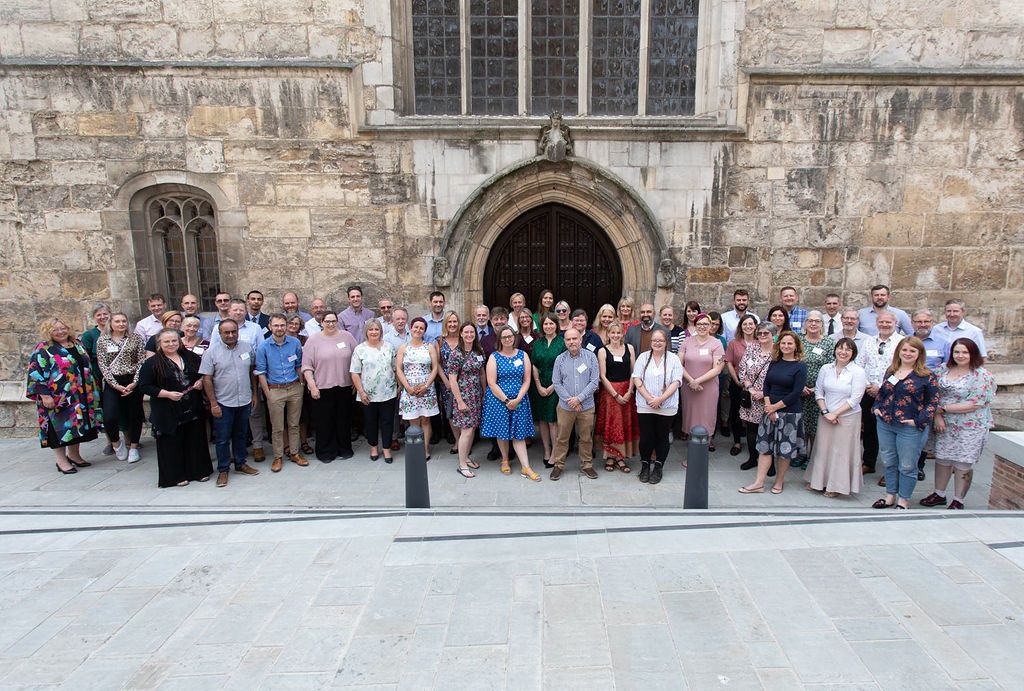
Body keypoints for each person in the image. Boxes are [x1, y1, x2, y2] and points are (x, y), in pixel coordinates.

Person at [919, 338, 994, 510]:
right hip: (943, 423)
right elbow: (932, 394)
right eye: (957, 352)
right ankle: (939, 494)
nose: (960, 355)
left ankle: (958, 499)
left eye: (965, 352)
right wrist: (937, 415)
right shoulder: (942, 370)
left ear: (973, 353)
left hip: (969, 425)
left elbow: (976, 403)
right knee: (943, 458)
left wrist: (942, 409)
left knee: (963, 462)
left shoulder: (981, 375)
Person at [26, 318, 103, 474]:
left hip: (81, 395)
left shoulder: (77, 344)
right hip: (57, 397)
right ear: (48, 332)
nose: (60, 332)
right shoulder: (43, 349)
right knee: (59, 428)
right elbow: (35, 373)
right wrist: (44, 395)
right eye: (55, 329)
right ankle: (61, 461)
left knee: (77, 426)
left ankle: (74, 455)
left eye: (63, 328)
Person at [138, 328, 212, 487]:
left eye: (174, 341)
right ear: (159, 343)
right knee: (172, 443)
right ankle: (176, 476)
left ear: (179, 342)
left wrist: (200, 382)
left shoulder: (191, 357)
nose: (171, 344)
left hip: (191, 406)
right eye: (167, 341)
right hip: (168, 408)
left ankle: (198, 471)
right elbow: (144, 386)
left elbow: (202, 374)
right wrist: (166, 394)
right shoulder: (152, 363)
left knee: (194, 440)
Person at [871, 336, 939, 509]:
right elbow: (882, 393)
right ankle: (890, 496)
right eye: (905, 350)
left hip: (909, 428)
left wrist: (917, 421)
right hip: (886, 424)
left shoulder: (927, 376)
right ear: (899, 351)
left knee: (907, 465)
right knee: (889, 461)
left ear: (919, 354)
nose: (907, 353)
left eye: (912, 351)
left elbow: (932, 402)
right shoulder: (891, 371)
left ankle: (903, 500)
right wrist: (877, 408)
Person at [739, 331, 807, 495]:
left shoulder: (800, 366)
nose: (786, 346)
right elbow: (767, 385)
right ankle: (758, 483)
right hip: (769, 410)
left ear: (796, 346)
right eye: (783, 343)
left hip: (789, 413)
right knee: (764, 448)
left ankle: (779, 481)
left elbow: (796, 393)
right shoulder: (774, 362)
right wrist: (768, 405)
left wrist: (775, 407)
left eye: (790, 343)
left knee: (785, 450)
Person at [200, 320, 261, 487]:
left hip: (244, 400)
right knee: (222, 439)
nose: (231, 335)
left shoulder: (247, 348)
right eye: (226, 332)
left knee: (241, 434)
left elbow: (252, 372)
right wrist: (213, 403)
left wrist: (254, 394)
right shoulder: (211, 353)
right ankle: (223, 469)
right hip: (223, 402)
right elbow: (207, 379)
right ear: (219, 333)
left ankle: (241, 463)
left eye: (234, 331)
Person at [804, 338, 867, 497]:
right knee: (822, 449)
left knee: (841, 451)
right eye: (840, 348)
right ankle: (818, 481)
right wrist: (826, 412)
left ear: (853, 353)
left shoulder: (858, 372)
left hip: (847, 417)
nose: (843, 352)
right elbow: (819, 392)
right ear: (835, 350)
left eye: (848, 349)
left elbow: (855, 399)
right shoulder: (826, 368)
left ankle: (836, 486)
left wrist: (836, 413)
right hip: (826, 415)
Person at [481, 326, 540, 480]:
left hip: (519, 400)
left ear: (514, 337)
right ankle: (505, 460)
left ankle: (526, 467)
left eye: (510, 336)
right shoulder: (494, 357)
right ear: (499, 340)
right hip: (499, 401)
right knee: (502, 432)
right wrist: (507, 400)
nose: (507, 339)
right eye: (504, 337)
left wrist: (518, 399)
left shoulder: (523, 355)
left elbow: (527, 380)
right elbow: (491, 383)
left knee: (519, 434)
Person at [301, 311, 357, 463]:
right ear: (322, 323)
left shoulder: (347, 337)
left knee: (343, 420)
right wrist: (312, 386)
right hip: (322, 388)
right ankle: (326, 452)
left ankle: (344, 448)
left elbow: (357, 359)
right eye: (327, 321)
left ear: (337, 322)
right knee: (324, 421)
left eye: (333, 321)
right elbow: (306, 367)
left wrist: (356, 381)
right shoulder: (313, 340)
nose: (331, 324)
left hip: (345, 386)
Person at [256, 314, 308, 472]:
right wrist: (267, 393)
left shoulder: (295, 343)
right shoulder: (263, 347)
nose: (279, 328)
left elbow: (298, 364)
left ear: (286, 326)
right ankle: (278, 457)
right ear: (270, 327)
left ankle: (295, 453)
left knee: (294, 424)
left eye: (282, 325)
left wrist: (301, 384)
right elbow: (261, 372)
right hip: (275, 389)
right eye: (276, 325)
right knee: (277, 427)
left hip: (294, 387)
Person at [632, 330, 683, 484]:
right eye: (655, 340)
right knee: (646, 437)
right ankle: (645, 466)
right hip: (645, 405)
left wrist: (661, 399)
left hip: (666, 405)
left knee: (662, 436)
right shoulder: (643, 357)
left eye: (661, 340)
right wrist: (649, 398)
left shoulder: (673, 359)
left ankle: (659, 467)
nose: (657, 343)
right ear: (651, 342)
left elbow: (676, 381)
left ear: (666, 342)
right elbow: (636, 378)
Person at [549, 328, 600, 480]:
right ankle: (558, 465)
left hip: (586, 406)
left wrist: (579, 399)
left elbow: (594, 381)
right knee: (562, 438)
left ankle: (587, 465)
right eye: (568, 339)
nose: (571, 342)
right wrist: (570, 400)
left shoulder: (591, 357)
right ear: (564, 342)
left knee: (586, 438)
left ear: (580, 339)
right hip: (565, 407)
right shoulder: (560, 359)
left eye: (574, 338)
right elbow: (556, 382)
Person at [96, 312, 146, 464]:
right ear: (111, 323)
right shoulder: (103, 340)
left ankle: (134, 446)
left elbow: (141, 361)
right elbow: (102, 364)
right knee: (110, 416)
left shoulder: (135, 338)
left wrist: (135, 382)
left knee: (134, 415)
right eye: (117, 321)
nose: (121, 324)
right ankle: (116, 444)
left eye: (124, 321)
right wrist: (115, 385)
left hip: (132, 380)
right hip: (113, 382)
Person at [861, 311, 902, 477]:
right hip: (869, 392)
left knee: (890, 432)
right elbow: (860, 364)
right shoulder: (869, 341)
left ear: (895, 323)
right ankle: (868, 462)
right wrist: (868, 386)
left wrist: (882, 388)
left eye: (888, 322)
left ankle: (890, 470)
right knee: (869, 430)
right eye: (881, 322)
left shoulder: (901, 343)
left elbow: (902, 369)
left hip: (891, 394)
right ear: (877, 323)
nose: (884, 325)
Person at [350, 320, 398, 464]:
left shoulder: (389, 347)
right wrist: (361, 391)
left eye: (377, 329)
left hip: (388, 392)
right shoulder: (360, 349)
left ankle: (387, 449)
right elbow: (355, 372)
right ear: (366, 332)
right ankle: (373, 448)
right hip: (367, 394)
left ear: (381, 331)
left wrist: (399, 386)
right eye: (371, 329)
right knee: (370, 422)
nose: (374, 332)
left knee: (387, 422)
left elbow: (396, 368)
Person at [679, 313, 725, 453]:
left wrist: (698, 381)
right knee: (690, 414)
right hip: (689, 387)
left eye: (705, 324)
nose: (702, 327)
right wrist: (691, 381)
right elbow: (679, 364)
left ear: (710, 326)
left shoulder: (717, 343)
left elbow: (718, 368)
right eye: (699, 324)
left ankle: (704, 446)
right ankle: (692, 445)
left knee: (707, 415)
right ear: (695, 326)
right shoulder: (686, 342)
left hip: (708, 388)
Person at [596, 321, 638, 472]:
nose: (615, 335)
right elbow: (602, 375)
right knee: (612, 424)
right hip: (610, 393)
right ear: (608, 334)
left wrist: (629, 391)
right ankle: (610, 456)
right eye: (612, 332)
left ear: (623, 334)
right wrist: (615, 394)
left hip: (627, 391)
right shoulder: (602, 351)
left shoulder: (629, 348)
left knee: (624, 424)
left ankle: (621, 457)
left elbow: (634, 372)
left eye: (618, 332)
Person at [396, 317, 441, 458]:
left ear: (424, 331)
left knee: (425, 420)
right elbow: (399, 369)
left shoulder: (429, 347)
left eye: (421, 328)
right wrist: (407, 387)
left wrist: (426, 386)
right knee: (414, 421)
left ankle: (425, 449)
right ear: (411, 328)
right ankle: (416, 449)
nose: (418, 330)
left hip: (426, 389)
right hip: (409, 389)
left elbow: (435, 368)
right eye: (416, 327)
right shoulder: (403, 347)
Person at [445, 322, 486, 477]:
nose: (469, 335)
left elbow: (481, 373)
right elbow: (452, 379)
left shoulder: (478, 350)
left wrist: (484, 392)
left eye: (472, 332)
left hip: (476, 395)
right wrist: (460, 401)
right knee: (466, 430)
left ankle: (466, 458)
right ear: (461, 334)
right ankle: (462, 465)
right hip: (463, 396)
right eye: (466, 332)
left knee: (472, 428)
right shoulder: (456, 354)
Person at [796, 310, 835, 468]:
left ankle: (812, 457)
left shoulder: (828, 342)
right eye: (810, 321)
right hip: (799, 390)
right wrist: (800, 386)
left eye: (817, 321)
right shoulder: (798, 340)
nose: (813, 324)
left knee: (814, 426)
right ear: (805, 323)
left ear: (821, 324)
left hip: (819, 392)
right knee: (801, 424)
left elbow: (831, 367)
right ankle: (801, 453)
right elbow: (792, 362)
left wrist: (816, 388)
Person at [737, 323, 777, 472]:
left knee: (769, 431)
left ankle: (769, 462)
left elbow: (780, 376)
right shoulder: (752, 349)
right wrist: (751, 389)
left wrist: (765, 393)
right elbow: (743, 369)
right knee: (751, 429)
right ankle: (753, 458)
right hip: (752, 397)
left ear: (773, 335)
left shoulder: (778, 352)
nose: (762, 336)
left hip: (770, 398)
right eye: (760, 333)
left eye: (766, 333)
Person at [529, 314, 566, 466]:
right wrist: (538, 385)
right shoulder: (538, 343)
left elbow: (565, 367)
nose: (548, 326)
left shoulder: (562, 342)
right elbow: (534, 364)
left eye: (551, 324)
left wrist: (553, 386)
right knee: (543, 420)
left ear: (556, 325)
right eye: (545, 324)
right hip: (539, 385)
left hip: (557, 386)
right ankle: (546, 450)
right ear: (542, 326)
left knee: (553, 421)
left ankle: (555, 453)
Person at [724, 314, 759, 457]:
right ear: (741, 327)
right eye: (745, 324)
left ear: (755, 326)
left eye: (751, 324)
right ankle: (737, 442)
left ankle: (756, 443)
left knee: (755, 413)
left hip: (757, 385)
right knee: (736, 412)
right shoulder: (734, 343)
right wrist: (737, 380)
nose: (748, 327)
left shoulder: (760, 342)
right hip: (738, 383)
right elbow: (729, 363)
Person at [436, 310, 462, 451]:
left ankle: (465, 441)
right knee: (450, 412)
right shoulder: (439, 341)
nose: (452, 324)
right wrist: (446, 381)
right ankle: (457, 441)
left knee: (463, 411)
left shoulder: (464, 339)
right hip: (446, 383)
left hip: (463, 382)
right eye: (449, 322)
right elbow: (437, 363)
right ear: (445, 324)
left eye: (455, 321)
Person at [80, 303, 110, 370]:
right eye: (99, 315)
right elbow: (84, 358)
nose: (102, 317)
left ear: (110, 314)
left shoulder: (117, 332)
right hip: (97, 373)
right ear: (94, 317)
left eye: (105, 314)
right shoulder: (88, 336)